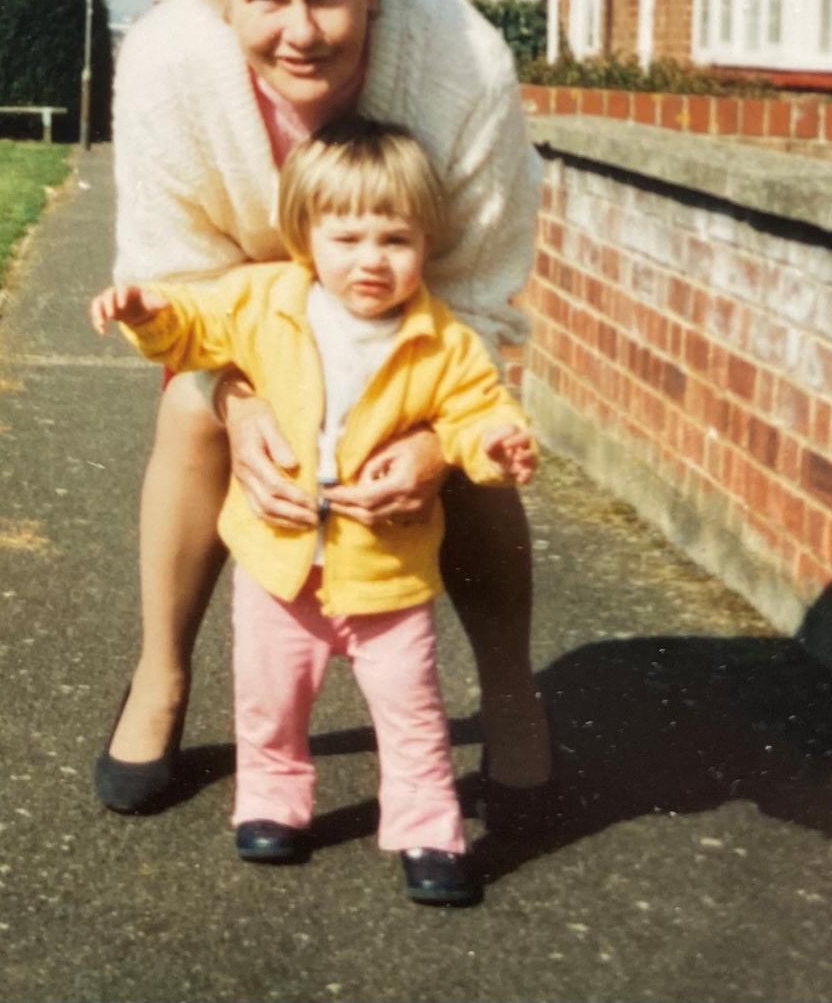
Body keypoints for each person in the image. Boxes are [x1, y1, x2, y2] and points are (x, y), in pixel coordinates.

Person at [89, 0, 551, 828]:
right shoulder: (167, 62)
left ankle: (509, 686)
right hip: (245, 309)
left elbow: (479, 290)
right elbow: (175, 277)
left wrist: (429, 436)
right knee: (189, 411)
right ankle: (161, 678)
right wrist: (235, 393)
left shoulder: (463, 62)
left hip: (408, 304)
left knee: (469, 449)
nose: (299, 31)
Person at [94, 120, 538, 904]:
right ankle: (271, 802)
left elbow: (476, 409)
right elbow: (194, 327)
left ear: (428, 241)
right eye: (348, 236)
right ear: (305, 237)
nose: (371, 259)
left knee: (411, 712)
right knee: (269, 699)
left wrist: (494, 443)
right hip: (280, 560)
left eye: (395, 239)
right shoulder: (269, 301)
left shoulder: (442, 342)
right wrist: (144, 312)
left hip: (387, 570)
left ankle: (429, 830)